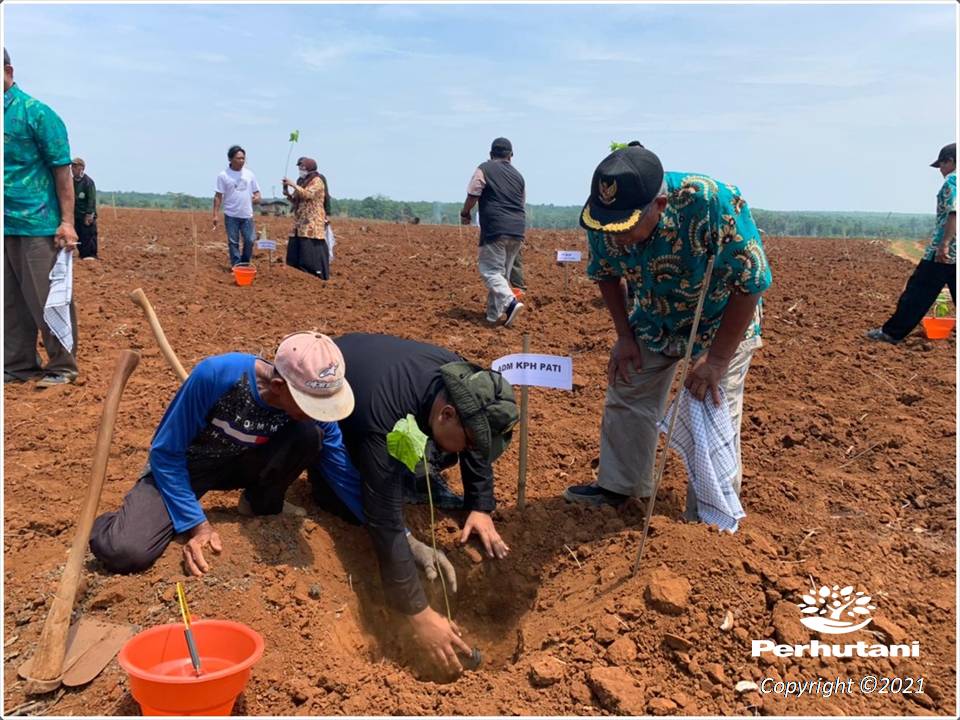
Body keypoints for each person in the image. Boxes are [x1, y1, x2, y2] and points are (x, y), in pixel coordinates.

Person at [563, 145, 772, 521]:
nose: (617, 235)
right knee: (628, 387)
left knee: (711, 404)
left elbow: (752, 280)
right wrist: (624, 337)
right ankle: (620, 488)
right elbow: (606, 273)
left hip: (720, 318)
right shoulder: (605, 216)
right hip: (655, 315)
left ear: (658, 205)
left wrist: (719, 359)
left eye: (627, 226)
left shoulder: (713, 202)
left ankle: (709, 516)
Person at [309, 333, 517, 673]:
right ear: (446, 414)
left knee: (444, 450)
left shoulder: (463, 383)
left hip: (382, 379)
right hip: (336, 402)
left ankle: (411, 473)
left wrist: (480, 505)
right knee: (343, 500)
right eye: (467, 442)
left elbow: (477, 437)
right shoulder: (384, 420)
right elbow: (384, 521)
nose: (470, 451)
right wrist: (418, 613)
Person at [89, 332, 356, 576]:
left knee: (309, 436)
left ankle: (259, 503)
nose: (317, 413)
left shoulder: (306, 404)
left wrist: (369, 515)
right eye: (310, 405)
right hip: (187, 466)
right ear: (278, 386)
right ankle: (120, 521)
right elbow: (165, 453)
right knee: (124, 551)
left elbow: (336, 455)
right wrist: (196, 523)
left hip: (242, 460)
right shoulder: (217, 375)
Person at [3, 47, 80, 387]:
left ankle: (62, 366)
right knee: (9, 302)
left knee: (46, 298)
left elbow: (62, 173)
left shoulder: (37, 113)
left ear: (8, 70)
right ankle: (17, 365)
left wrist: (67, 221)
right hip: (4, 224)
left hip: (38, 223)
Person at [867, 143, 956, 343]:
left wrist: (944, 244)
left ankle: (891, 333)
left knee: (918, 292)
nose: (940, 171)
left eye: (941, 165)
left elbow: (954, 212)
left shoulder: (953, 181)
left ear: (949, 161)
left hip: (944, 252)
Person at [460, 137, 526, 327]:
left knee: (490, 272)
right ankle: (492, 316)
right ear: (510, 156)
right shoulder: (519, 176)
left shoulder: (484, 168)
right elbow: (521, 203)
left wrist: (465, 213)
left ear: (491, 154)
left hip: (496, 228)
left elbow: (473, 193)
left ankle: (511, 303)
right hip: (517, 229)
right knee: (502, 276)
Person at [212, 145, 261, 268]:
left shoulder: (249, 174)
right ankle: (236, 265)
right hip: (231, 214)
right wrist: (215, 215)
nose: (241, 161)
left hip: (247, 214)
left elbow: (257, 192)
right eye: (238, 158)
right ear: (230, 159)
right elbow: (218, 195)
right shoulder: (223, 175)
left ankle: (245, 262)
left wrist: (257, 198)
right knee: (233, 242)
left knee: (249, 240)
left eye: (243, 158)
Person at [283, 157, 331, 279]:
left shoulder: (317, 180)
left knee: (310, 246)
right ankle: (297, 270)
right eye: (299, 168)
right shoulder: (301, 181)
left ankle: (314, 273)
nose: (301, 170)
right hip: (300, 220)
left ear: (310, 167)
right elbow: (296, 199)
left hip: (312, 220)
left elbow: (308, 194)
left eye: (303, 168)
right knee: (298, 244)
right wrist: (287, 192)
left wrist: (293, 184)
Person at [71, 157, 98, 260]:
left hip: (86, 215)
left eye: (75, 166)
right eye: (72, 166)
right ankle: (80, 254)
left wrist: (89, 214)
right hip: (76, 215)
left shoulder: (88, 182)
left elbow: (91, 199)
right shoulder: (71, 181)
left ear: (81, 168)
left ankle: (90, 256)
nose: (72, 169)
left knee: (88, 235)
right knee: (78, 235)